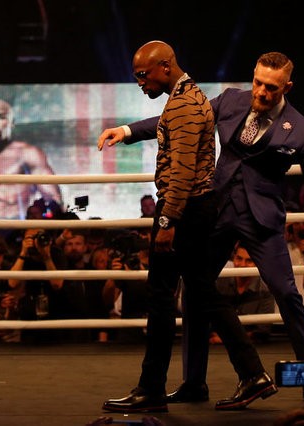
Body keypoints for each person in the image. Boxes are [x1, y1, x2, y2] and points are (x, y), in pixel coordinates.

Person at [101, 51, 304, 405]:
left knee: (287, 295)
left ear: (286, 86)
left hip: (262, 222)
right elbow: (181, 119)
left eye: (270, 88)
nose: (260, 92)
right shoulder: (229, 100)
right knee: (197, 292)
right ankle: (194, 383)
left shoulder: (303, 129)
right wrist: (127, 130)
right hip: (216, 212)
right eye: (257, 83)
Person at [97, 40, 276, 413]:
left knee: (162, 297)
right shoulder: (191, 98)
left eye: (144, 76)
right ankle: (251, 372)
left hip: (182, 209)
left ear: (165, 67)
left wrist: (166, 221)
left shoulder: (181, 106)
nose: (141, 84)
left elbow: (180, 172)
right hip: (195, 208)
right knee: (201, 291)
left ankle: (151, 389)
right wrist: (127, 131)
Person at [0, 97, 63, 220]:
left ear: (12, 122)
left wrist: (42, 226)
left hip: (20, 227)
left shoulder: (27, 154)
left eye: (0, 117)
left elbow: (54, 199)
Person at [212, 242, 275, 344]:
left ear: (257, 263)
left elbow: (263, 331)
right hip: (215, 346)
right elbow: (207, 319)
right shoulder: (220, 281)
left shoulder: (265, 289)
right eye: (239, 258)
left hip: (252, 347)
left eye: (249, 261)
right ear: (233, 258)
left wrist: (226, 338)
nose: (242, 265)